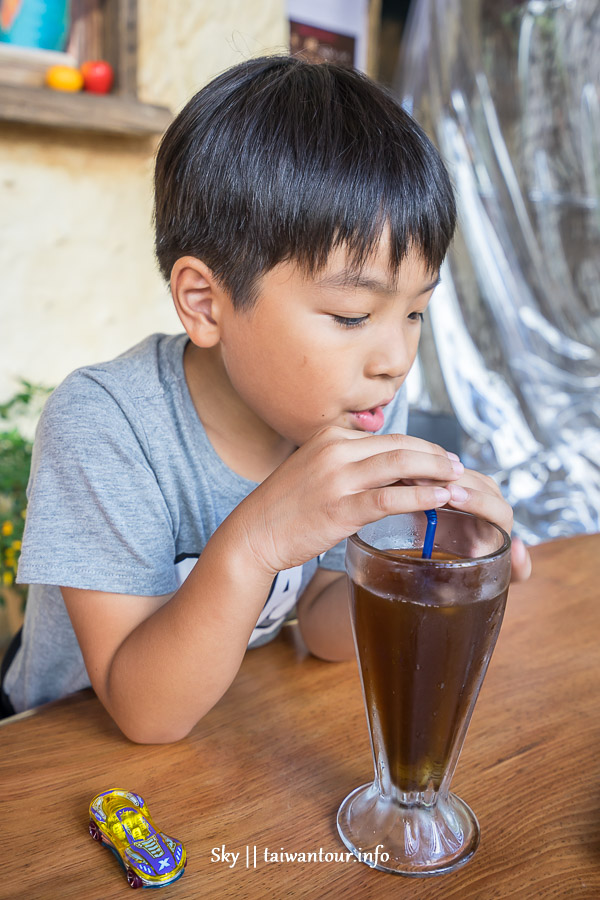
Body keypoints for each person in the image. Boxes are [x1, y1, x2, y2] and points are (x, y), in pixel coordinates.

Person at [1, 55, 531, 741]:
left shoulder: (356, 408)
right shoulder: (108, 425)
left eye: (415, 313)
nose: (396, 361)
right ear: (205, 303)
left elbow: (322, 624)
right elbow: (143, 713)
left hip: (227, 734)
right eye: (350, 316)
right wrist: (258, 541)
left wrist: (427, 576)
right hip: (52, 750)